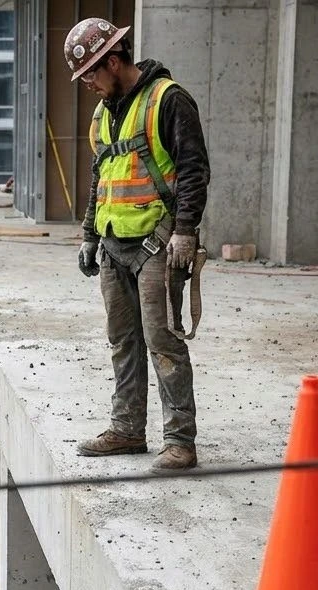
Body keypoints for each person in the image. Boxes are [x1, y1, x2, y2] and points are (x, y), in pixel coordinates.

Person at [65, 18, 211, 474]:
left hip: (156, 243)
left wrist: (185, 231)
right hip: (114, 245)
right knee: (122, 342)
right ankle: (127, 429)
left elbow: (193, 170)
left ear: (114, 60)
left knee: (161, 340)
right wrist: (90, 233)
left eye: (91, 72)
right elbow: (100, 176)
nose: (87, 83)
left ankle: (179, 441)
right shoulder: (104, 111)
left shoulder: (168, 100)